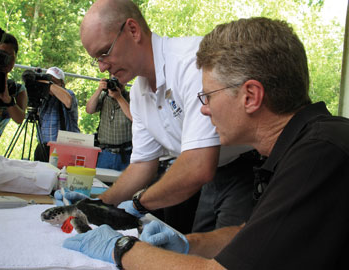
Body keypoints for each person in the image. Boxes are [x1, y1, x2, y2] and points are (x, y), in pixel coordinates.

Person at [63, 17, 349, 269]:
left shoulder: (319, 155)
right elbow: (248, 234)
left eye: (208, 96)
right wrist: (189, 243)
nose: (203, 109)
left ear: (250, 96)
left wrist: (122, 248)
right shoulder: (301, 147)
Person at [57, 0, 259, 234]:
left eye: (104, 52)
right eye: (97, 59)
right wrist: (98, 204)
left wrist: (137, 203)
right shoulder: (139, 93)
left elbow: (198, 166)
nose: (102, 67)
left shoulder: (192, 63)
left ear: (132, 30)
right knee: (195, 249)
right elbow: (143, 164)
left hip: (247, 168)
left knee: (226, 259)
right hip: (213, 177)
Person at [0, 33, 27, 155]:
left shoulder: (16, 89)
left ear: (15, 58)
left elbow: (20, 118)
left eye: (8, 56)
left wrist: (8, 101)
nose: (3, 60)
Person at [34, 67, 80, 161]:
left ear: (62, 84)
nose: (51, 84)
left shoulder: (68, 94)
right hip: (43, 146)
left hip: (63, 147)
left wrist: (48, 84)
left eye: (54, 81)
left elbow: (68, 101)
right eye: (49, 80)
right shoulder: (43, 97)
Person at [86, 77, 132, 171]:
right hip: (105, 153)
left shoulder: (131, 97)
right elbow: (89, 110)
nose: (116, 84)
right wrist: (99, 90)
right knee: (101, 183)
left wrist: (118, 97)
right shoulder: (104, 96)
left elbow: (134, 117)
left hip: (126, 154)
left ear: (126, 82)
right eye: (114, 81)